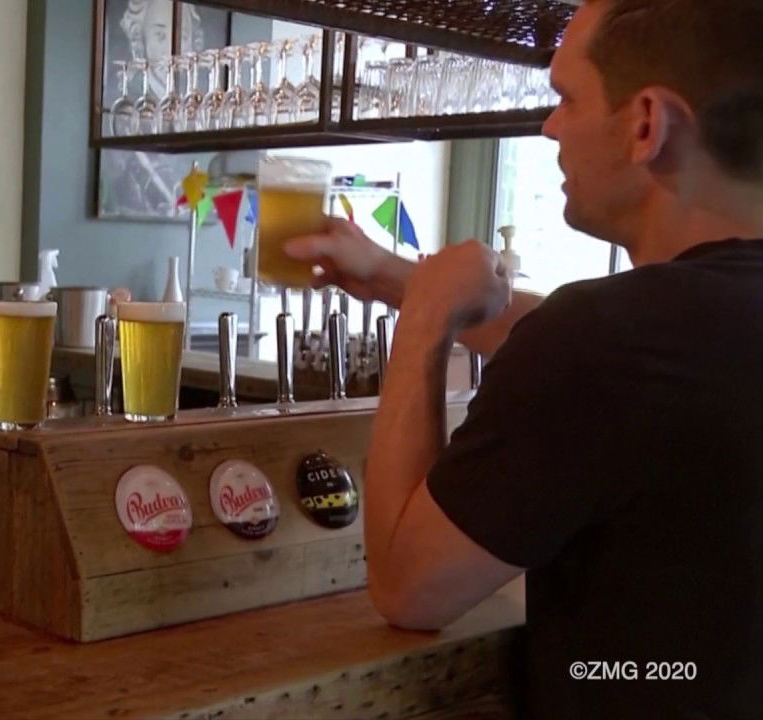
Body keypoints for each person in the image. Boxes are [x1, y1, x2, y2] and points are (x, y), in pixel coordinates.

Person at [284, 0, 763, 717]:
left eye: (567, 98)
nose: (549, 127)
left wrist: (421, 322)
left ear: (645, 125)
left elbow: (410, 587)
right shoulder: (669, 334)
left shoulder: (605, 341)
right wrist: (396, 274)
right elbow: (651, 369)